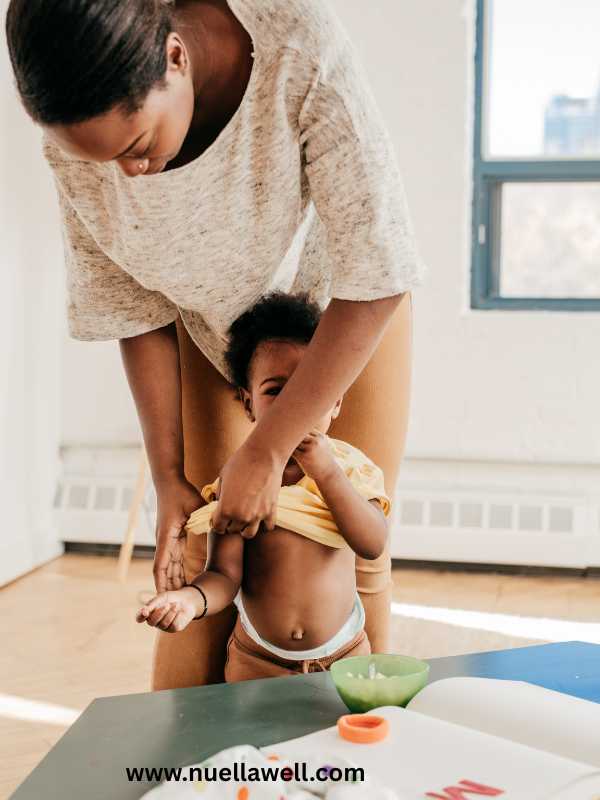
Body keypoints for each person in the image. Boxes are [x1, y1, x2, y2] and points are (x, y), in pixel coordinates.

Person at [6, 0, 424, 689]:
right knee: (202, 545)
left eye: (136, 145)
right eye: (102, 159)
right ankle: (180, 776)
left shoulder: (299, 44)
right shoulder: (78, 151)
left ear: (175, 56)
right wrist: (168, 479)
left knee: (355, 553)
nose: (128, 175)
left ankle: (366, 750)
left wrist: (270, 447)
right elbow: (131, 307)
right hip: (218, 336)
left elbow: (378, 268)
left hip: (347, 313)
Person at [136, 294, 391, 680]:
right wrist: (189, 600)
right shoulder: (238, 483)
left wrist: (327, 473)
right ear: (248, 402)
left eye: (310, 392)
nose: (294, 406)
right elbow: (223, 574)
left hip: (345, 655)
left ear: (335, 400)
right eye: (275, 390)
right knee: (253, 740)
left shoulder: (351, 468)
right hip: (257, 659)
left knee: (343, 739)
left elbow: (372, 543)